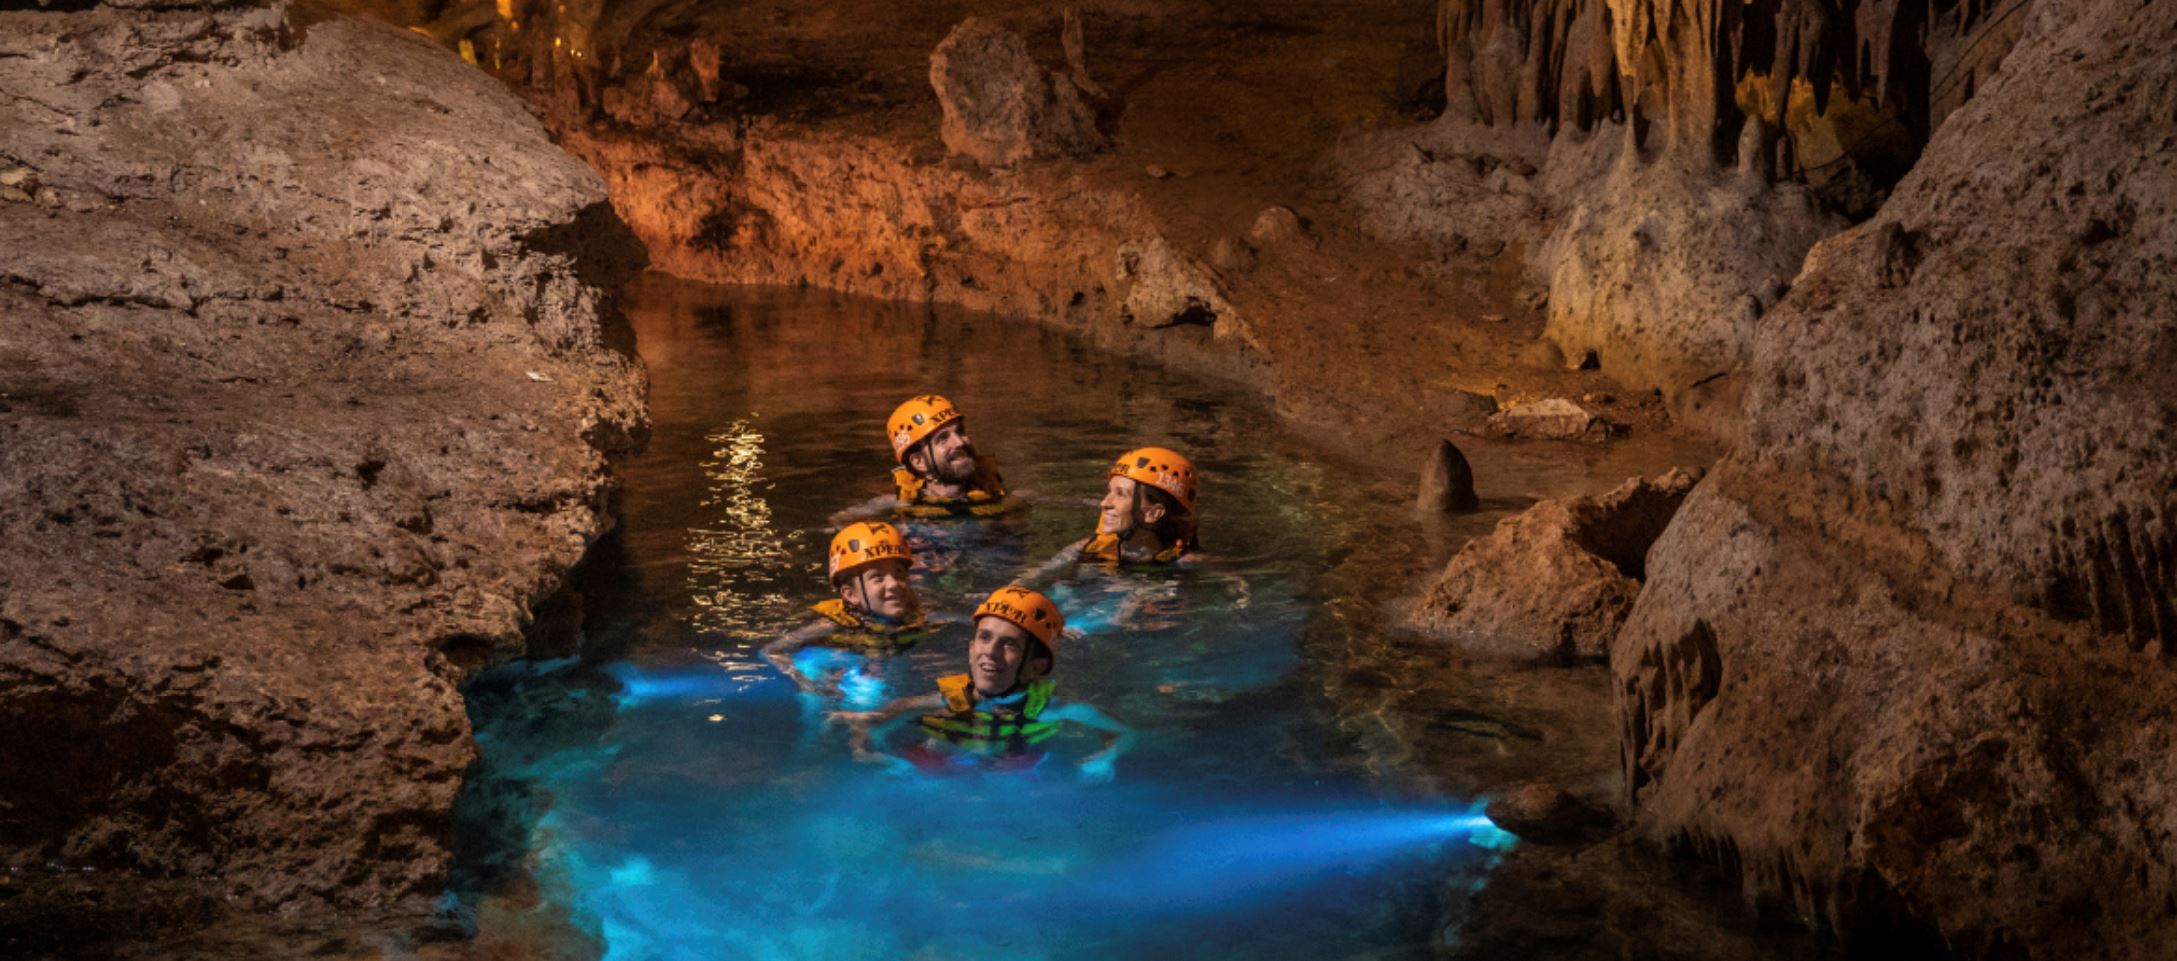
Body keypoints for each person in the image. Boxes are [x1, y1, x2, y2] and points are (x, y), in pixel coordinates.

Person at [834, 586, 1133, 781]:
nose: (989, 652)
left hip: (1011, 766)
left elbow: (1125, 733)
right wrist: (866, 749)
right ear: (970, 648)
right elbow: (875, 720)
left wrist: (1105, 760)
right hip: (947, 760)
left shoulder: (1054, 708)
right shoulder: (947, 699)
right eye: (984, 637)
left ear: (1035, 666)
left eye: (1009, 644)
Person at [763, 521, 935, 696]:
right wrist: (806, 682)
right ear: (851, 594)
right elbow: (772, 651)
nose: (894, 584)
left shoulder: (916, 613)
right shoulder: (830, 625)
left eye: (899, 573)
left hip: (876, 660)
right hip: (830, 663)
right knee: (865, 693)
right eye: (877, 577)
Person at [830, 395, 1021, 525]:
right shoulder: (897, 504)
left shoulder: (1006, 498)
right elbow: (837, 522)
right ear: (919, 462)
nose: (960, 442)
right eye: (943, 438)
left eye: (960, 432)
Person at [1024, 447, 1199, 584]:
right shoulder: (1089, 548)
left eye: (1121, 494)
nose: (1104, 503)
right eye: (1109, 492)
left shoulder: (1187, 562)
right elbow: (1033, 577)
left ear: (1153, 513)